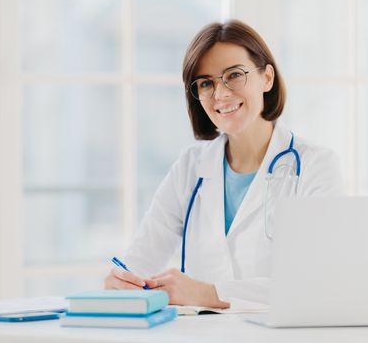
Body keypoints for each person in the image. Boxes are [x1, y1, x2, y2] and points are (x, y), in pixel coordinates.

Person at [103, 20, 343, 308]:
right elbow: (140, 258)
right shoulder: (190, 167)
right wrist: (121, 281)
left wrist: (210, 294)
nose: (221, 94)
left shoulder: (316, 165)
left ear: (267, 78)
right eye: (206, 83)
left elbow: (318, 283)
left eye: (234, 75)